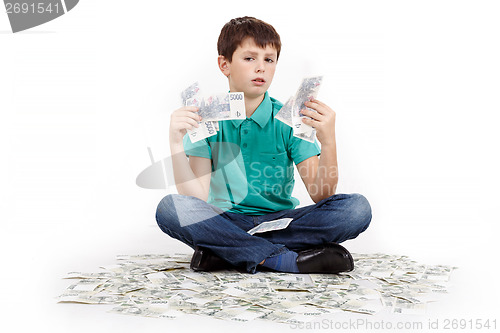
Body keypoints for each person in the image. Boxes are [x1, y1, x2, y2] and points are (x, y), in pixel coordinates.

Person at [156, 16, 371, 274]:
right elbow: (196, 198)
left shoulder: (289, 120)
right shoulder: (206, 119)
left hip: (282, 222)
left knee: (356, 209)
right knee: (170, 207)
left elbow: (321, 193)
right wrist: (175, 142)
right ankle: (282, 259)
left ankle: (227, 252)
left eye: (269, 60)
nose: (261, 68)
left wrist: (328, 140)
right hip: (226, 220)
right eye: (250, 58)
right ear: (224, 64)